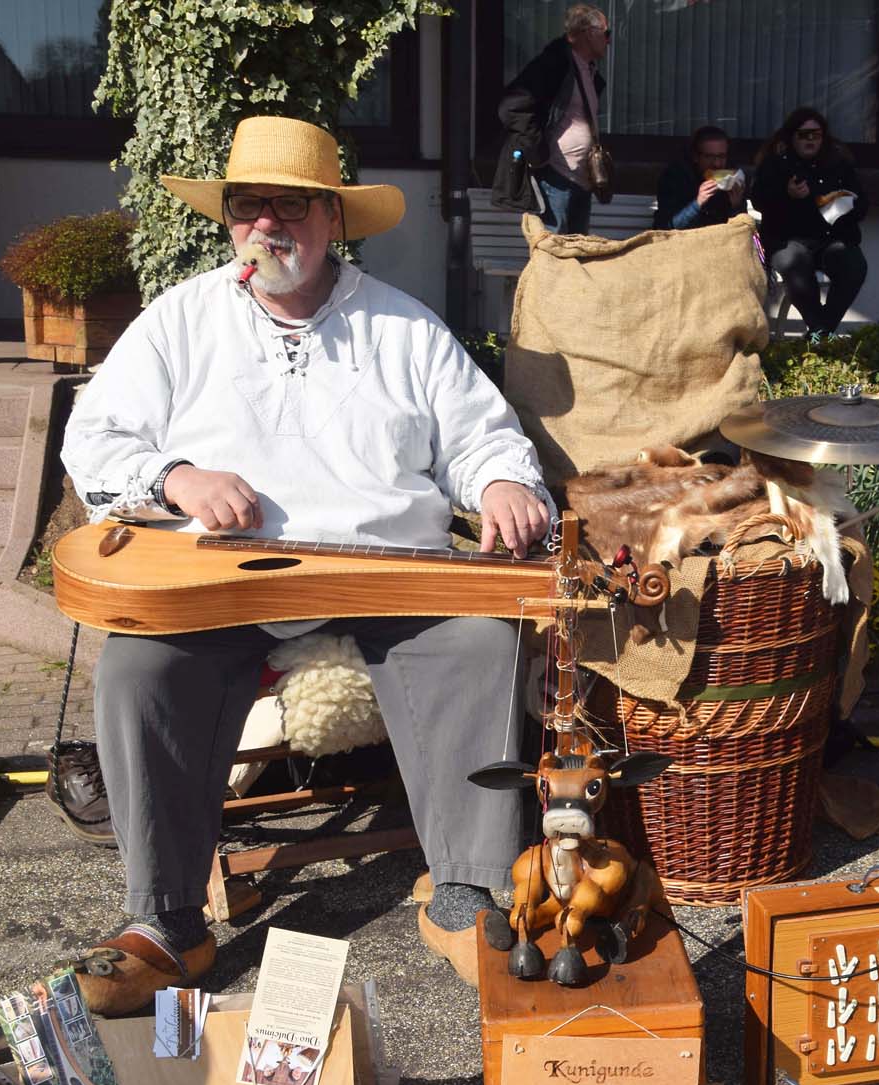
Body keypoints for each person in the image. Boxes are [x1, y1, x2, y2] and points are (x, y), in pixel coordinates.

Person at [60, 116, 555, 1013]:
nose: (267, 224)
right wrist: (176, 476)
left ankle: (466, 890)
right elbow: (93, 439)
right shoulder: (179, 321)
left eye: (292, 206)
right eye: (249, 206)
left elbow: (484, 438)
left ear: (335, 219)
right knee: (139, 666)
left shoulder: (404, 327)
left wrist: (502, 486)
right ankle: (167, 922)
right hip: (223, 579)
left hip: (383, 570)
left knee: (487, 642)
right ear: (229, 221)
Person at [750, 107, 868, 339]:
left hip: (830, 238)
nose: (810, 140)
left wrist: (841, 203)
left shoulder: (838, 163)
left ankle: (821, 330)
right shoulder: (776, 164)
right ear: (792, 136)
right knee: (794, 262)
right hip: (787, 238)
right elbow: (760, 200)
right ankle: (820, 331)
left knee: (853, 265)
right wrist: (788, 195)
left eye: (816, 134)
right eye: (804, 135)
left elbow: (862, 205)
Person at [493, 4, 612, 234]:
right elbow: (511, 107)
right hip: (556, 176)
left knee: (576, 253)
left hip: (581, 178)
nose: (609, 41)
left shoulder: (589, 71)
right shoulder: (554, 63)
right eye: (606, 34)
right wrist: (540, 155)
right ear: (589, 32)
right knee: (553, 251)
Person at [653, 125, 745, 230]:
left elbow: (742, 230)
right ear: (696, 157)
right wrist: (698, 203)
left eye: (721, 156)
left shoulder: (732, 178)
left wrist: (736, 207)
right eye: (709, 157)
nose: (717, 163)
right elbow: (667, 227)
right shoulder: (675, 178)